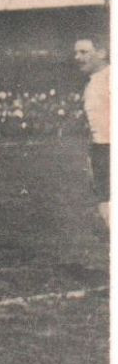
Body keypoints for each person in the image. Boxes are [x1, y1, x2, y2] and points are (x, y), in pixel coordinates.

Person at [74, 37, 109, 238]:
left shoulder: (110, 76)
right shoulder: (93, 82)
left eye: (84, 52)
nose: (77, 57)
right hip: (100, 150)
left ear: (101, 53)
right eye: (76, 53)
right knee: (105, 206)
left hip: (111, 147)